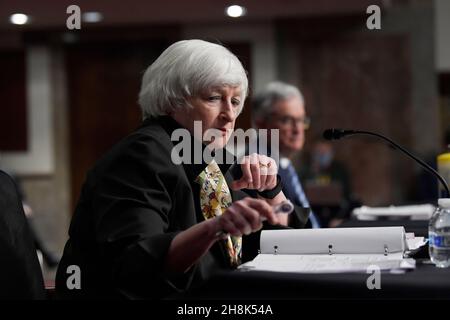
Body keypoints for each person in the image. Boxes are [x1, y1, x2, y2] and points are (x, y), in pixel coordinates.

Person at [55, 40, 308, 300]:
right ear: (171, 100)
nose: (230, 115)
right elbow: (137, 263)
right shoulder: (140, 155)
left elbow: (284, 241)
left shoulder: (218, 156)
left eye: (235, 101)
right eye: (214, 98)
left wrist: (273, 191)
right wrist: (214, 228)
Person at [252, 81, 320, 228]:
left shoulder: (283, 162)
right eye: (287, 120)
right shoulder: (258, 166)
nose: (298, 129)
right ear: (261, 124)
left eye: (301, 120)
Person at [302, 140, 353, 227]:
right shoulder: (306, 171)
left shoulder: (339, 171)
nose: (322, 155)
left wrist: (340, 218)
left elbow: (347, 195)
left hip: (335, 214)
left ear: (331, 153)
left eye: (325, 152)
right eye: (319, 152)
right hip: (313, 214)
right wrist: (313, 172)